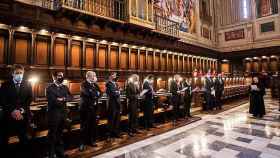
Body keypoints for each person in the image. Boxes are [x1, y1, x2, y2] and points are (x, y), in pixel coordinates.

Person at [0, 64, 33, 156]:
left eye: (21, 73)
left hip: (23, 117)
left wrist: (21, 110)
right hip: (8, 118)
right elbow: (2, 101)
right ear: (13, 74)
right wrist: (13, 111)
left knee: (24, 140)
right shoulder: (5, 85)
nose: (19, 75)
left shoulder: (27, 84)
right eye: (17, 73)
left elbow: (29, 99)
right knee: (3, 141)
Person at [46, 71, 73, 158]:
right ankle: (51, 154)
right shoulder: (49, 88)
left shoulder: (65, 87)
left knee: (60, 134)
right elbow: (53, 101)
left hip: (63, 114)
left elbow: (70, 97)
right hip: (53, 115)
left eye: (62, 76)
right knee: (52, 135)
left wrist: (63, 99)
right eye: (59, 76)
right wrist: (62, 100)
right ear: (54, 77)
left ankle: (60, 153)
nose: (61, 77)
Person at [79, 71, 101, 151]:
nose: (95, 77)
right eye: (94, 75)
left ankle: (91, 141)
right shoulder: (83, 84)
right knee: (84, 127)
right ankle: (82, 143)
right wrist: (95, 94)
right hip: (85, 109)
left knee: (92, 126)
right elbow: (88, 93)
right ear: (88, 76)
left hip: (94, 109)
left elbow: (101, 93)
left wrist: (95, 93)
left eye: (95, 75)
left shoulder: (95, 85)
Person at [106, 72, 121, 138]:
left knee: (117, 119)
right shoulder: (108, 84)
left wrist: (117, 92)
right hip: (112, 104)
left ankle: (116, 133)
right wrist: (118, 92)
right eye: (113, 74)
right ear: (110, 76)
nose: (115, 76)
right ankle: (109, 134)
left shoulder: (116, 83)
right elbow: (113, 93)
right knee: (111, 119)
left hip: (117, 103)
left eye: (115, 75)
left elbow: (119, 91)